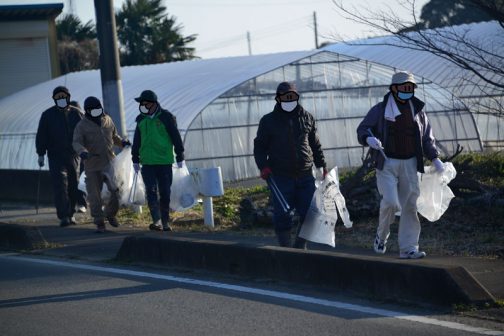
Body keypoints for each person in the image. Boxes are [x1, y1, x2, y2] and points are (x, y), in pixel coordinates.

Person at [356, 71, 445, 259]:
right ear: (394, 88)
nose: (408, 91)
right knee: (390, 202)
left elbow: (427, 137)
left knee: (410, 205)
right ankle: (381, 236)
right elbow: (362, 129)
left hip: (411, 163)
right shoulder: (380, 110)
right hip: (386, 162)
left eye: (410, 87)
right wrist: (368, 139)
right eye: (404, 87)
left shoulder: (418, 111)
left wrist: (435, 158)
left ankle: (409, 247)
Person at [253, 81, 327, 249]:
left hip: (306, 174)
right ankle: (286, 249)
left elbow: (315, 144)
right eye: (285, 97)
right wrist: (263, 166)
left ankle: (300, 246)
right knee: (283, 213)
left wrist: (322, 165)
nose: (289, 100)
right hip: (280, 176)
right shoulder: (268, 121)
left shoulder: (307, 117)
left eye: (292, 96)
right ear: (278, 99)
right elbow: (259, 147)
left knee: (312, 213)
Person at [73, 96, 130, 233]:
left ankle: (110, 214)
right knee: (95, 196)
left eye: (98, 108)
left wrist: (122, 143)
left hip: (110, 162)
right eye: (93, 109)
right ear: (87, 111)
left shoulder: (108, 120)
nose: (97, 111)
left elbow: (114, 136)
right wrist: (83, 152)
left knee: (117, 192)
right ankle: (99, 222)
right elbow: (76, 142)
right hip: (92, 165)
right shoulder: (82, 126)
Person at [131, 90, 185, 232]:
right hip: (147, 162)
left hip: (164, 161)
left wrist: (180, 155)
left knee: (165, 192)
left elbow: (175, 136)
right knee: (151, 190)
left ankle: (165, 222)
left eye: (145, 103)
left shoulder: (166, 117)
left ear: (153, 104)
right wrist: (135, 158)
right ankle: (157, 221)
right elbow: (137, 140)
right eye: (141, 103)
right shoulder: (141, 119)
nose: (142, 106)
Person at [36, 86, 83, 227]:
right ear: (54, 99)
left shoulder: (77, 114)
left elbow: (86, 132)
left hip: (74, 155)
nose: (61, 100)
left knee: (73, 185)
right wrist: (41, 154)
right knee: (60, 185)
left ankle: (71, 214)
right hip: (55, 155)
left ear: (68, 97)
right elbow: (41, 135)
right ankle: (63, 216)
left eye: (64, 97)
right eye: (58, 98)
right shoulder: (47, 115)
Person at [69, 100, 88, 213]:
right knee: (77, 179)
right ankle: (79, 203)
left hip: (82, 153)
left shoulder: (83, 120)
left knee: (81, 178)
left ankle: (82, 203)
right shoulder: (68, 120)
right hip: (73, 153)